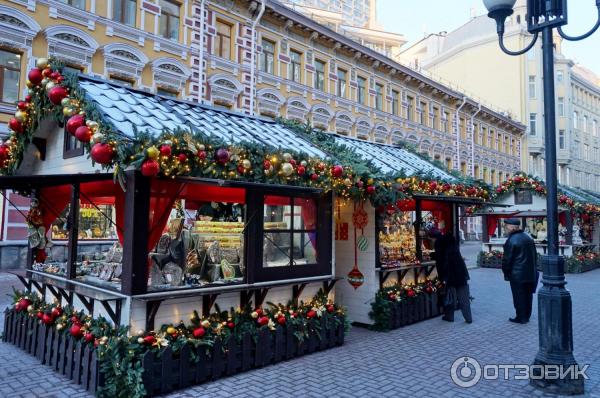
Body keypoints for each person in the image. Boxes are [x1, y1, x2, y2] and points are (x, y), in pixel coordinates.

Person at [429, 228, 472, 324]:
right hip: (460, 271)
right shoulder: (451, 240)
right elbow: (450, 254)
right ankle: (468, 318)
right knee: (463, 296)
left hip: (449, 273)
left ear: (433, 238)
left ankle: (449, 316)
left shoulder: (438, 243)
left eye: (431, 239)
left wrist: (442, 277)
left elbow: (441, 261)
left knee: (449, 296)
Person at [502, 218, 539, 324]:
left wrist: (506, 273)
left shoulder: (511, 240)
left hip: (517, 274)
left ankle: (521, 317)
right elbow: (534, 256)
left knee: (518, 296)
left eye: (506, 226)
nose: (505, 228)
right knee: (528, 296)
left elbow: (507, 260)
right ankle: (527, 315)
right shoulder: (528, 238)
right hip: (530, 273)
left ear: (511, 227)